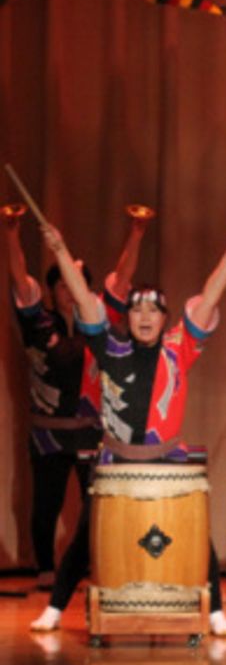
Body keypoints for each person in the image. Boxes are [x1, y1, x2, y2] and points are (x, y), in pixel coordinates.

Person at [29, 219, 226, 637]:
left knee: (194, 534)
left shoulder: (179, 348)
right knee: (85, 536)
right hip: (114, 459)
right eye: (137, 309)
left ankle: (216, 610)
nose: (145, 316)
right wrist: (59, 251)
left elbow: (208, 298)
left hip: (166, 457)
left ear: (166, 318)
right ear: (126, 316)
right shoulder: (107, 345)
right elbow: (83, 299)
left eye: (154, 310)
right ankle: (56, 608)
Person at [4, 206, 148, 590]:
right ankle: (47, 571)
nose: (69, 292)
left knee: (96, 504)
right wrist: (13, 233)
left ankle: (90, 567)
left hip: (89, 431)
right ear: (53, 290)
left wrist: (136, 231)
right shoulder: (39, 321)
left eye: (75, 285)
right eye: (63, 285)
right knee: (46, 503)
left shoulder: (96, 319)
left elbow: (123, 278)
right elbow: (20, 280)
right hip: (48, 432)